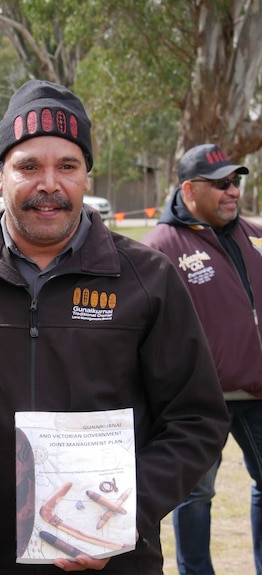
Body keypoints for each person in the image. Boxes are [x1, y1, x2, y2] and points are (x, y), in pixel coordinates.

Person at [0, 79, 231, 574]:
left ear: (87, 176)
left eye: (67, 166)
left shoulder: (149, 279)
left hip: (115, 558)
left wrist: (126, 513)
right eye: (28, 166)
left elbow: (197, 420)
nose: (49, 184)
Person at [142, 143, 262, 575]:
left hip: (257, 391)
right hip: (199, 398)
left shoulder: (254, 235)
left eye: (236, 182)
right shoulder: (161, 247)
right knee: (195, 495)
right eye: (222, 184)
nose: (233, 191)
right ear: (190, 190)